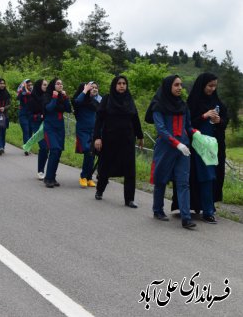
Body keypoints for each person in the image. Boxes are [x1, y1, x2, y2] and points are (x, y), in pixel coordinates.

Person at [150, 75, 198, 228]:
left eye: (181, 85)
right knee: (161, 180)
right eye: (176, 85)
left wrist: (197, 133)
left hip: (183, 149)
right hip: (166, 148)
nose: (179, 88)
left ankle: (186, 217)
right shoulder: (158, 105)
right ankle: (157, 210)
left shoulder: (183, 105)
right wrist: (177, 144)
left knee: (183, 182)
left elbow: (188, 127)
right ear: (168, 86)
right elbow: (161, 130)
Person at [93, 75, 144, 207]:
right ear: (114, 85)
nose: (122, 86)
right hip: (110, 139)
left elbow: (135, 118)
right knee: (105, 166)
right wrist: (97, 137)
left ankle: (129, 199)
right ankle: (99, 190)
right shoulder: (107, 99)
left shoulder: (129, 99)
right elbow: (99, 120)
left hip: (127, 139)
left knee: (129, 169)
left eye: (124, 83)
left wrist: (140, 136)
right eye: (119, 83)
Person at [185, 73, 228, 223]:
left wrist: (219, 120)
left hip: (215, 146)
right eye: (209, 85)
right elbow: (188, 123)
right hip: (199, 146)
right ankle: (207, 210)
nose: (212, 88)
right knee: (205, 176)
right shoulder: (193, 102)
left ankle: (207, 206)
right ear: (202, 85)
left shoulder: (217, 102)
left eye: (214, 86)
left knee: (214, 176)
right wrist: (204, 116)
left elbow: (224, 123)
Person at [43, 78, 72, 188]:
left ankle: (52, 177)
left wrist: (65, 98)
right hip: (50, 126)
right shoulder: (47, 95)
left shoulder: (62, 97)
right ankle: (47, 178)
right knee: (54, 150)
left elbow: (69, 109)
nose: (60, 85)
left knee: (58, 152)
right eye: (58, 84)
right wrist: (54, 97)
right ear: (53, 85)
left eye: (61, 84)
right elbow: (49, 108)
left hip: (60, 127)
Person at [72, 82, 102, 188]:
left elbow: (102, 109)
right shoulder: (79, 100)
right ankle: (83, 177)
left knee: (92, 153)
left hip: (93, 131)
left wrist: (95, 95)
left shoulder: (94, 101)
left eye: (95, 88)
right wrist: (85, 91)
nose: (93, 89)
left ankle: (89, 177)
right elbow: (77, 102)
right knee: (87, 151)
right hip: (82, 130)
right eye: (90, 88)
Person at [28, 79, 49, 180]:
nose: (46, 86)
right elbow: (29, 115)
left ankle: (47, 170)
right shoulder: (32, 98)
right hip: (37, 124)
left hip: (48, 124)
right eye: (44, 85)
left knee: (48, 148)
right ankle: (40, 170)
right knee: (44, 146)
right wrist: (39, 116)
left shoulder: (47, 97)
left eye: (47, 85)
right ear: (39, 86)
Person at [17, 79, 33, 155]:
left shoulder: (33, 92)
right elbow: (19, 97)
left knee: (30, 131)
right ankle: (26, 148)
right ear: (25, 85)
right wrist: (24, 89)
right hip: (23, 114)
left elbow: (31, 96)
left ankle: (28, 146)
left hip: (31, 114)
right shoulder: (21, 92)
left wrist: (27, 90)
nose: (30, 86)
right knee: (26, 130)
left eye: (31, 85)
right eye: (28, 85)